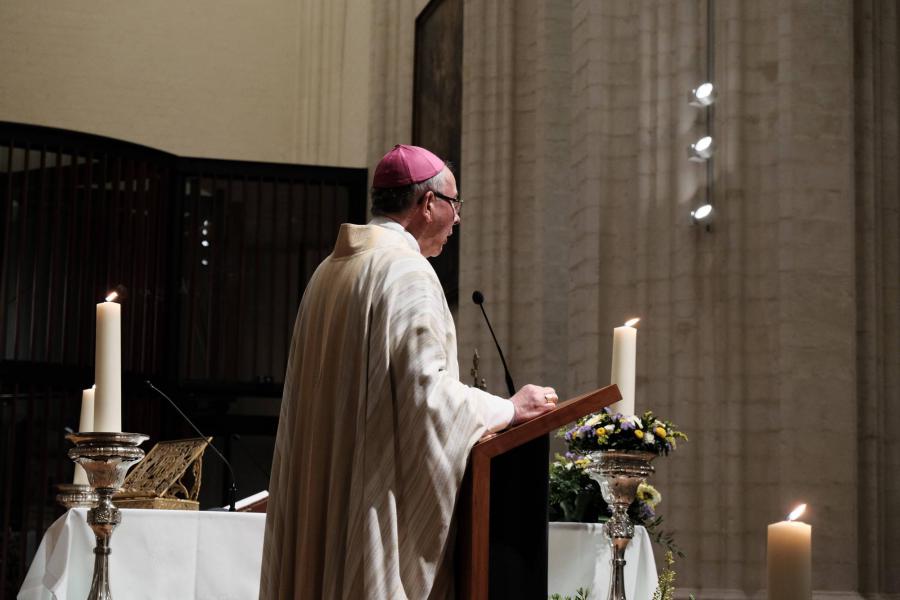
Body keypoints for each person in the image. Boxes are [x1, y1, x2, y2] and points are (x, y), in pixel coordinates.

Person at [259, 144, 558, 600]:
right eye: (455, 204)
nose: (458, 219)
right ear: (428, 203)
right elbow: (426, 395)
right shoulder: (406, 271)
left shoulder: (328, 271)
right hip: (367, 501)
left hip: (326, 495)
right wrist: (510, 410)